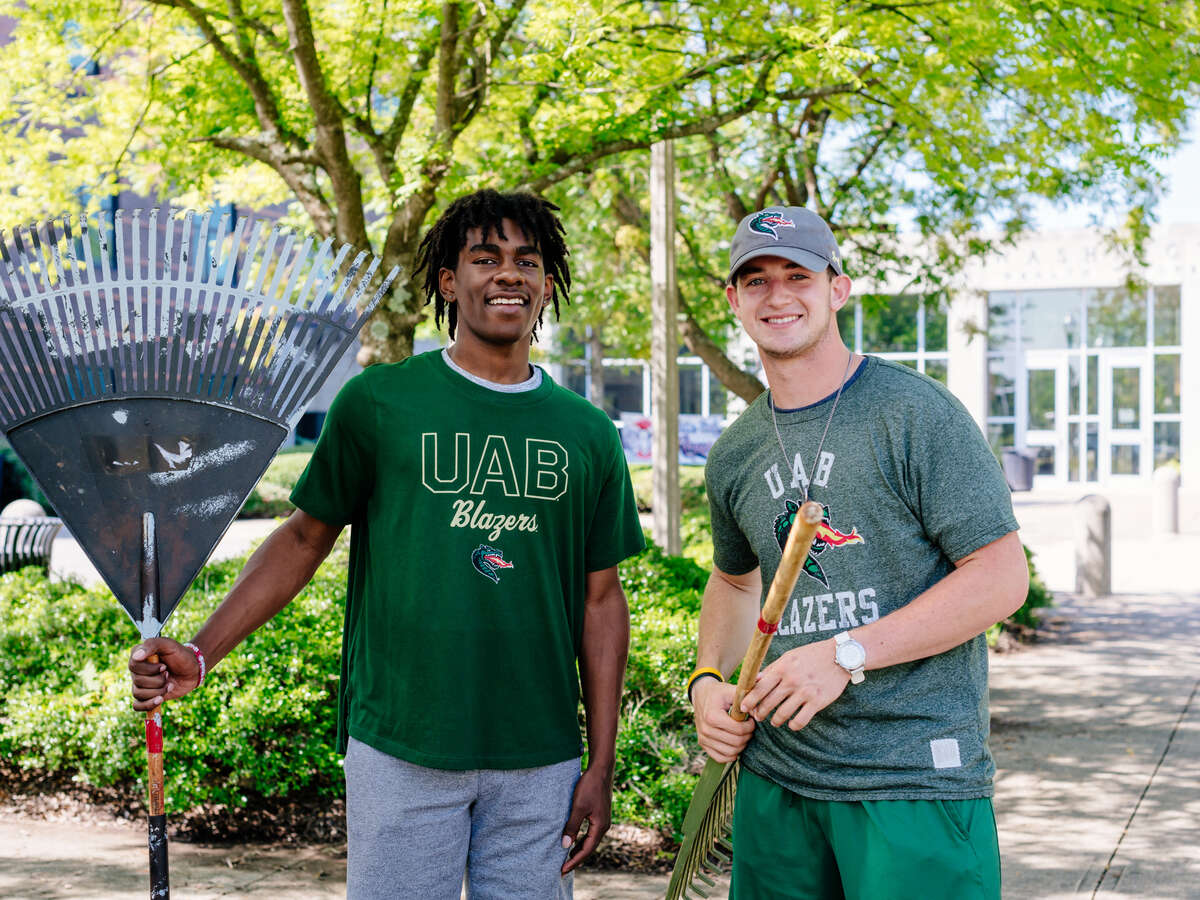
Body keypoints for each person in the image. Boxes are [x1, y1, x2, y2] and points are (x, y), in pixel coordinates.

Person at [129, 189, 645, 899]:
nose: (508, 274)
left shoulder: (587, 433)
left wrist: (601, 762)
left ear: (546, 284)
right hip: (402, 742)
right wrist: (200, 652)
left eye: (527, 261)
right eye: (484, 258)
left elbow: (601, 599)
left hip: (539, 757)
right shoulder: (379, 402)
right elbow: (304, 537)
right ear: (447, 281)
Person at [687, 206, 1028, 899]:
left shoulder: (916, 413)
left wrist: (847, 652)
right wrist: (705, 683)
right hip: (778, 780)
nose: (777, 296)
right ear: (733, 300)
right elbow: (734, 580)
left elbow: (999, 578)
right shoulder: (735, 452)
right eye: (755, 280)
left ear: (837, 289)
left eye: (797, 276)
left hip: (912, 780)